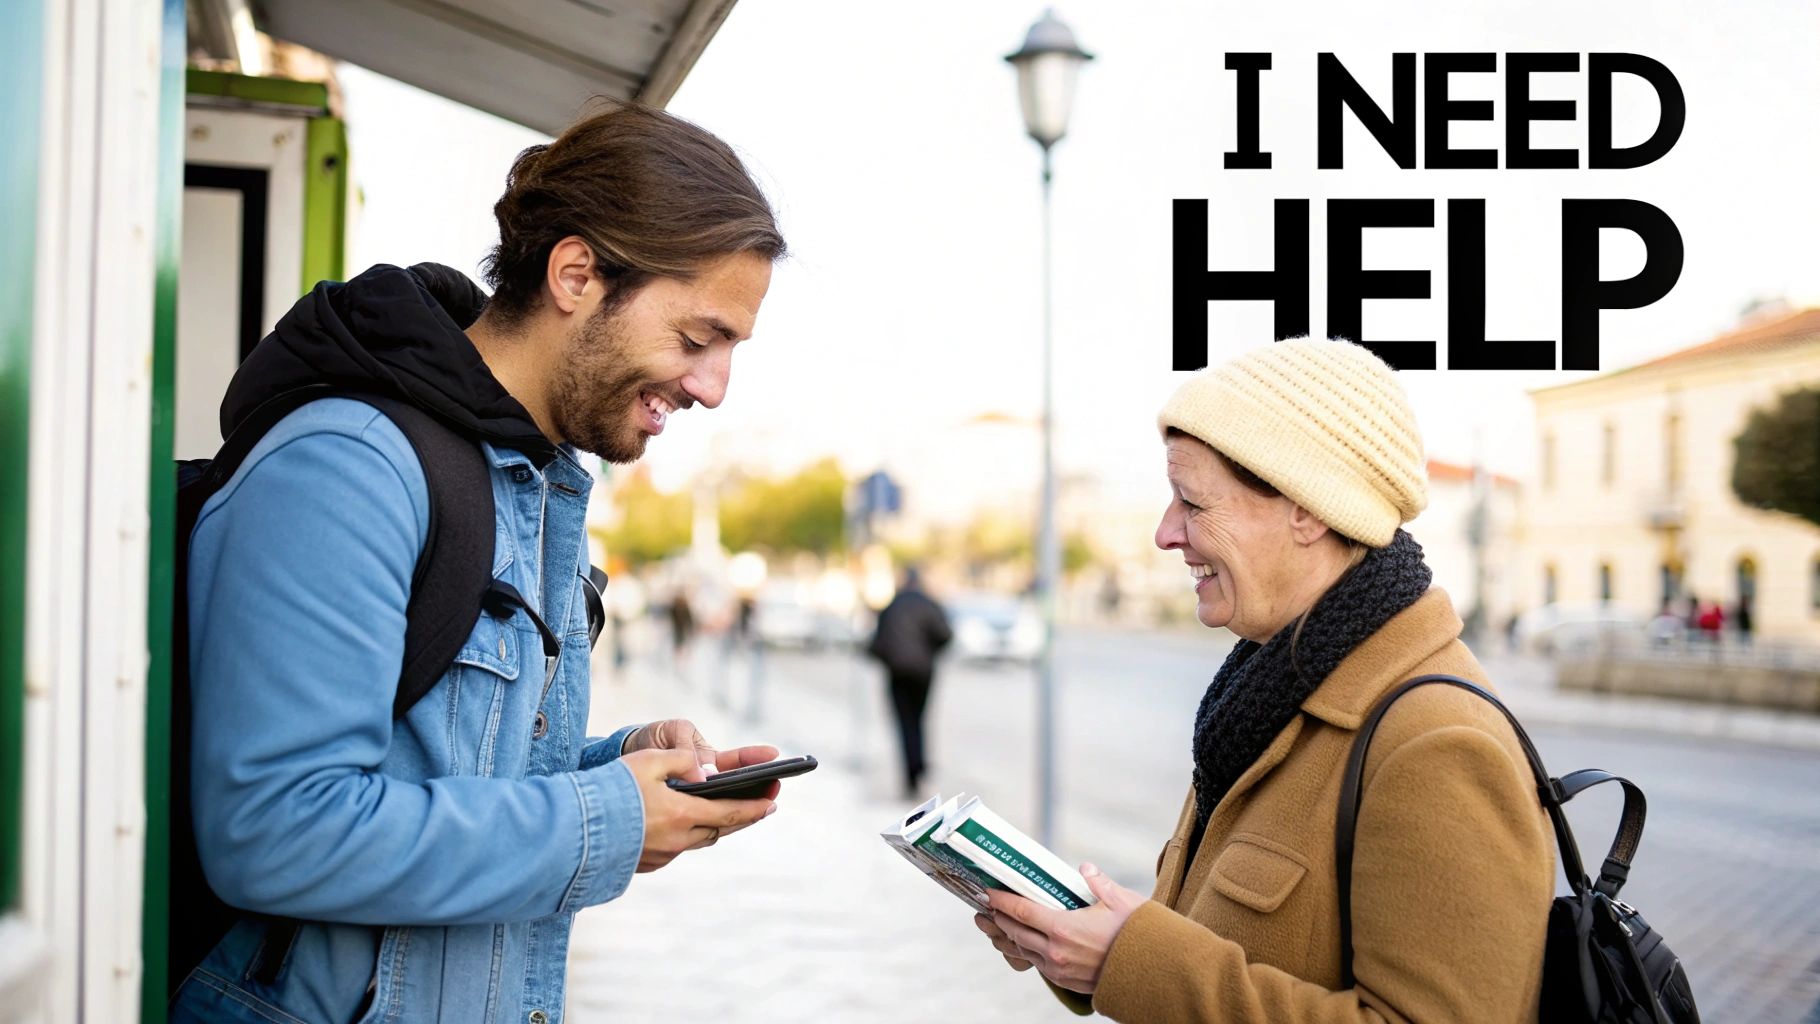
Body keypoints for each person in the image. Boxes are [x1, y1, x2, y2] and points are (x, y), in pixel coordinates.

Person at [174, 105, 788, 1024]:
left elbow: (436, 777)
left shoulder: (533, 482)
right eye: (698, 340)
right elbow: (276, 829)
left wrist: (614, 772)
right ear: (577, 274)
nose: (712, 387)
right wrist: (605, 818)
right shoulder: (349, 465)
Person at [972, 339, 1554, 1022]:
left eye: (1191, 501)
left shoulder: (1436, 743)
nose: (1166, 533)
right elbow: (1219, 946)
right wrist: (1079, 940)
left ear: (1306, 509)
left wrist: (1126, 962)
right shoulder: (1266, 695)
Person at [868, 567, 953, 795]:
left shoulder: (892, 607)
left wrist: (891, 659)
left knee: (904, 723)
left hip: (897, 673)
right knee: (919, 720)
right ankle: (919, 767)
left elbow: (876, 644)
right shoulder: (929, 604)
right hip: (923, 673)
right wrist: (928, 653)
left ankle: (910, 775)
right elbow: (945, 635)